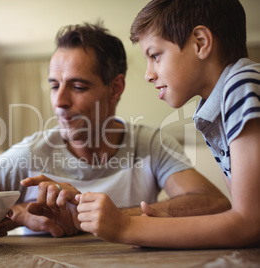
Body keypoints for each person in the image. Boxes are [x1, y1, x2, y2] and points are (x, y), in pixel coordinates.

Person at [0, 22, 230, 238]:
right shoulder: (30, 154)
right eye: (53, 85)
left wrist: (95, 217)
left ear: (115, 88)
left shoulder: (150, 143)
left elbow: (213, 203)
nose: (59, 101)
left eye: (78, 86)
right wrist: (17, 215)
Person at [74, 0, 260, 248]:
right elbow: (242, 219)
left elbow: (248, 224)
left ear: (201, 43)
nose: (148, 74)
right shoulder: (213, 108)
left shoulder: (241, 86)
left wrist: (125, 226)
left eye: (155, 55)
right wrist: (165, 226)